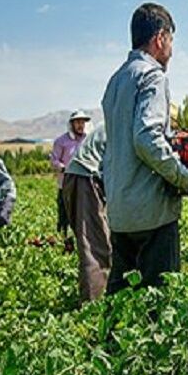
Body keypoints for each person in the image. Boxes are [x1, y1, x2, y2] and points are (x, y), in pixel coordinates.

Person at [101, 2, 188, 293]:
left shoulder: (116, 80)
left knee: (122, 308)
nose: (171, 50)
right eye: (172, 41)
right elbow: (146, 138)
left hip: (120, 210)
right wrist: (187, 180)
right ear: (160, 38)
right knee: (160, 309)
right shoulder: (152, 76)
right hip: (151, 213)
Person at [63, 119, 112, 301]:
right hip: (86, 178)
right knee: (94, 245)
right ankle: (92, 309)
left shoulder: (118, 117)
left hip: (81, 176)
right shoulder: (132, 123)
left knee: (97, 239)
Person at [51, 109, 89, 235]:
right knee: (64, 215)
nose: (80, 125)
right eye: (77, 122)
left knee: (83, 215)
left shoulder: (87, 140)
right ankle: (63, 241)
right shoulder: (61, 141)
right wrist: (64, 168)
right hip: (65, 184)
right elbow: (54, 161)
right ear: (72, 124)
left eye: (82, 122)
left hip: (83, 184)